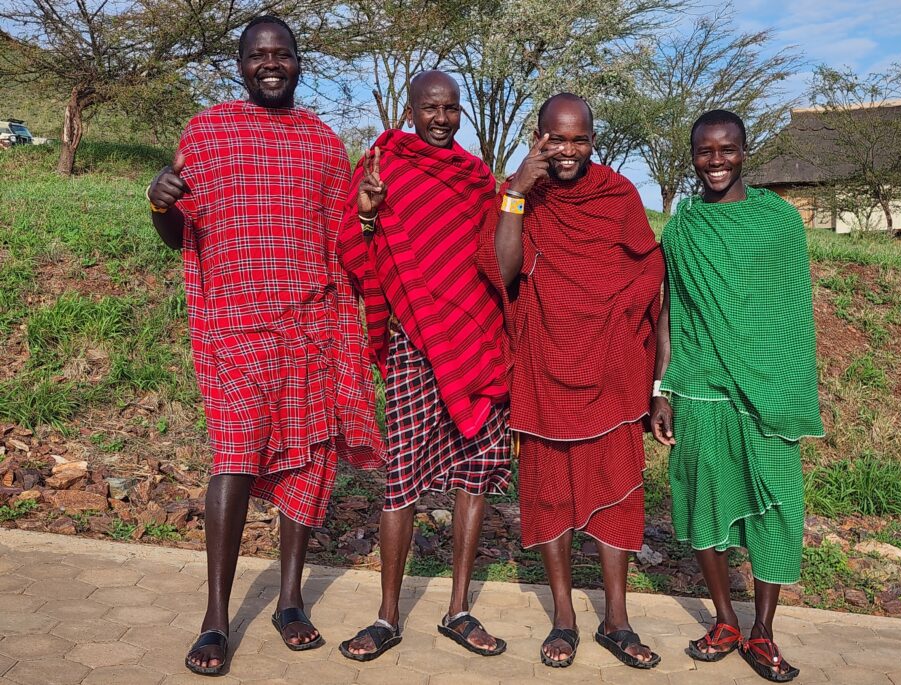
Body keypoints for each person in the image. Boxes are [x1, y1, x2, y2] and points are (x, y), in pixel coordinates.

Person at [146, 16, 384, 676]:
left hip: (308, 329)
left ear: (299, 63)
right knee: (235, 453)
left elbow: (344, 242)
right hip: (234, 328)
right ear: (240, 64)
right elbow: (182, 236)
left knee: (307, 459)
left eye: (282, 54)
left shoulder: (322, 144)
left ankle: (288, 601)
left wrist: (366, 214)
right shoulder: (207, 133)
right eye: (258, 55)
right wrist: (159, 204)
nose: (270, 64)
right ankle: (216, 620)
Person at [478, 93, 664, 669]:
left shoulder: (618, 195)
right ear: (538, 138)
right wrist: (514, 193)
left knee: (619, 492)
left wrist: (644, 365)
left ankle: (616, 619)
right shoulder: (518, 195)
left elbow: (649, 269)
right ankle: (563, 616)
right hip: (543, 365)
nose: (565, 150)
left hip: (610, 369)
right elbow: (503, 270)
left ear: (592, 142)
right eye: (555, 139)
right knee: (550, 492)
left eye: (577, 139)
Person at [336, 71, 512, 662]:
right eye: (430, 107)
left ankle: (458, 609)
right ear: (410, 109)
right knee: (402, 476)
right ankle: (387, 616)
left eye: (450, 108)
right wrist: (366, 215)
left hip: (475, 338)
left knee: (474, 472)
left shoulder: (475, 177)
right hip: (415, 338)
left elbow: (494, 255)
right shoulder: (384, 163)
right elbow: (354, 248)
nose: (441, 118)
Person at [650, 109, 824, 683]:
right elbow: (669, 313)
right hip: (700, 390)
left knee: (779, 504)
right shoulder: (682, 229)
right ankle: (726, 621)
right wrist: (663, 388)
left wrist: (789, 381)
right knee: (707, 504)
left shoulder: (778, 220)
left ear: (745, 151)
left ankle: (764, 632)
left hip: (767, 391)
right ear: (693, 155)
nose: (715, 160)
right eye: (704, 151)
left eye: (726, 149)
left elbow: (792, 309)